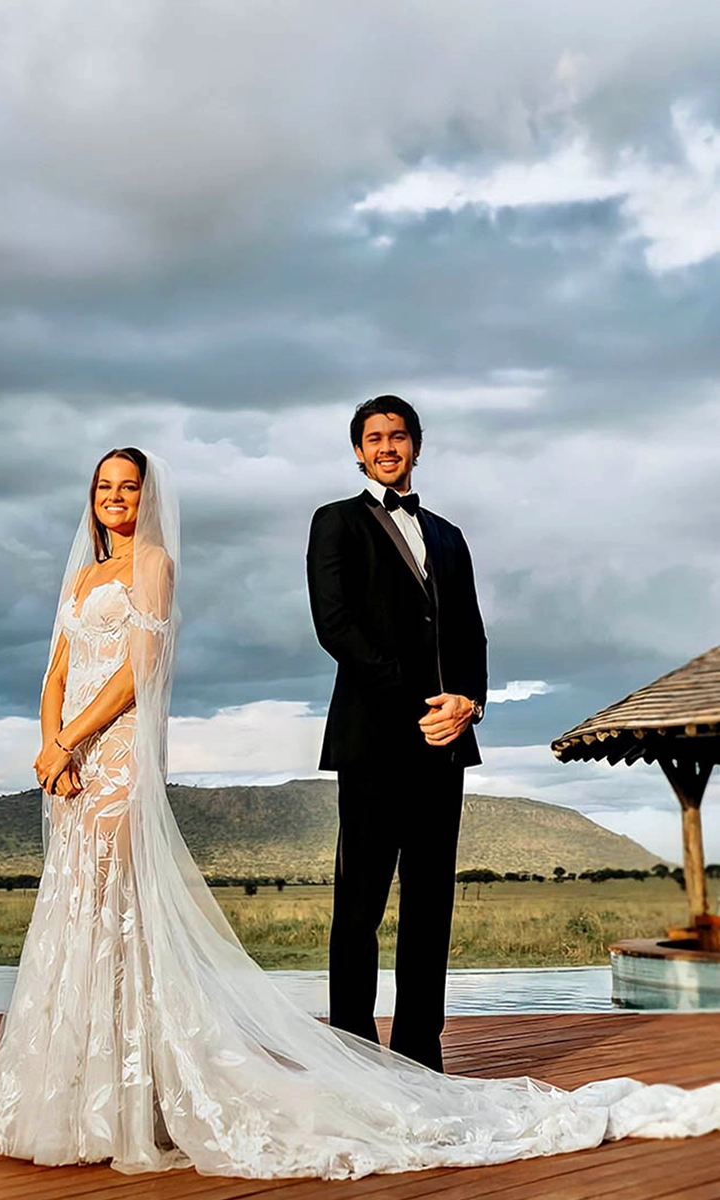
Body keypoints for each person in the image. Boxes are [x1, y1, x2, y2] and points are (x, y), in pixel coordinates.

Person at [0, 445, 720, 1179]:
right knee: (85, 915)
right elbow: (61, 671)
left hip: (125, 760)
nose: (116, 497)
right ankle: (82, 1097)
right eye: (106, 486)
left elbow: (139, 670)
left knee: (133, 912)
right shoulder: (96, 574)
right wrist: (53, 748)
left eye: (129, 486)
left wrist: (467, 701)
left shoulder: (158, 567)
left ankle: (375, 1070)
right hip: (82, 764)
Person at [306, 395, 486, 1072]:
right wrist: (423, 702)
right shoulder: (336, 523)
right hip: (374, 738)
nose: (387, 446)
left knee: (431, 905)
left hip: (446, 744)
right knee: (360, 906)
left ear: (415, 445)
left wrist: (469, 702)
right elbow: (337, 626)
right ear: (358, 450)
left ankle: (420, 1054)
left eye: (398, 435)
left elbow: (470, 631)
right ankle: (353, 1053)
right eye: (374, 437)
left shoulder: (448, 535)